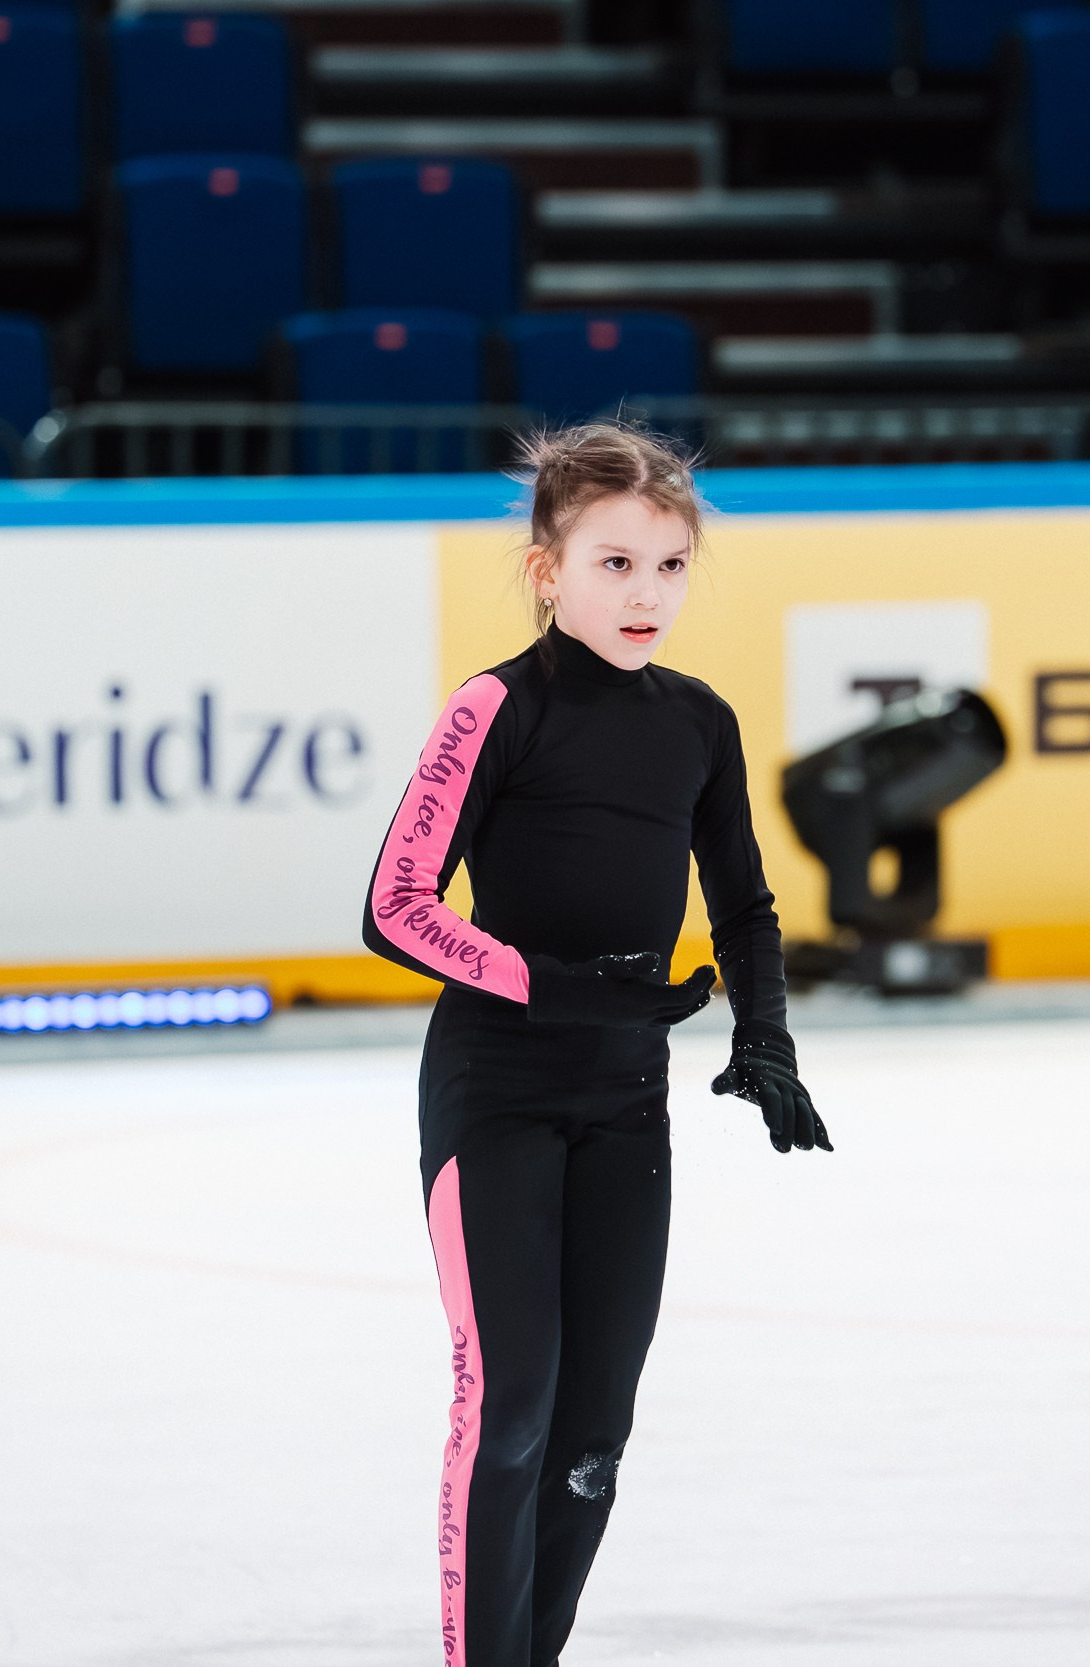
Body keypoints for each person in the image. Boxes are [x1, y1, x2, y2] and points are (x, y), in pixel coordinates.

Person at [362, 422, 830, 1667]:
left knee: (590, 1436)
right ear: (547, 570)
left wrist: (767, 1037)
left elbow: (742, 904)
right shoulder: (496, 706)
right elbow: (394, 907)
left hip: (629, 1106)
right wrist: (557, 989)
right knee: (509, 1408)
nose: (647, 594)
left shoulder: (698, 721)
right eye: (616, 563)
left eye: (671, 566)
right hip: (497, 1094)